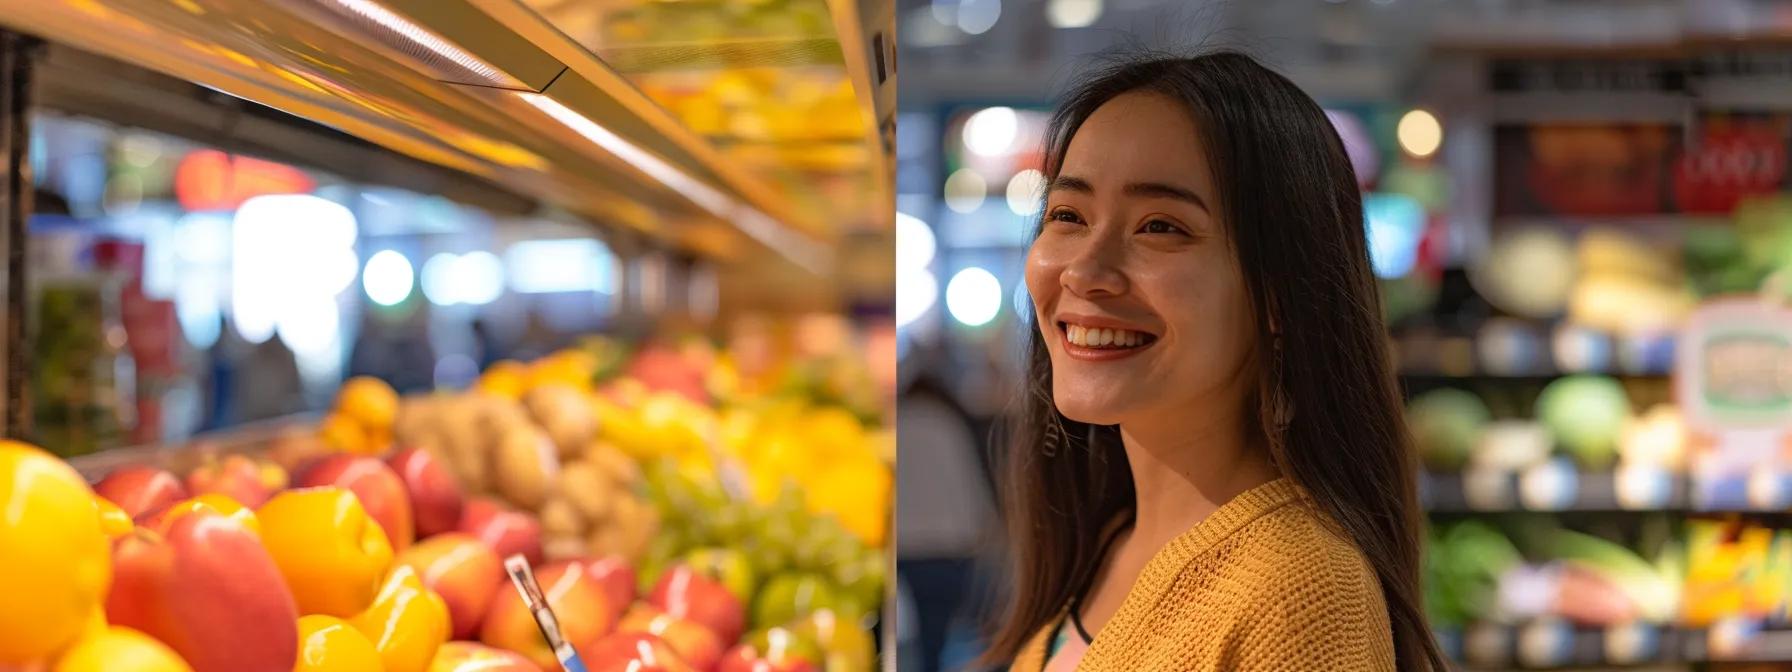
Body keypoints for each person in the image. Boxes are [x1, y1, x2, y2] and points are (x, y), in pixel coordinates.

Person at [986, 52, 1445, 672]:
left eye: (1160, 227)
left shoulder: (1301, 590)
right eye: (1068, 215)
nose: (1085, 271)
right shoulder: (1112, 538)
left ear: (1281, 291)